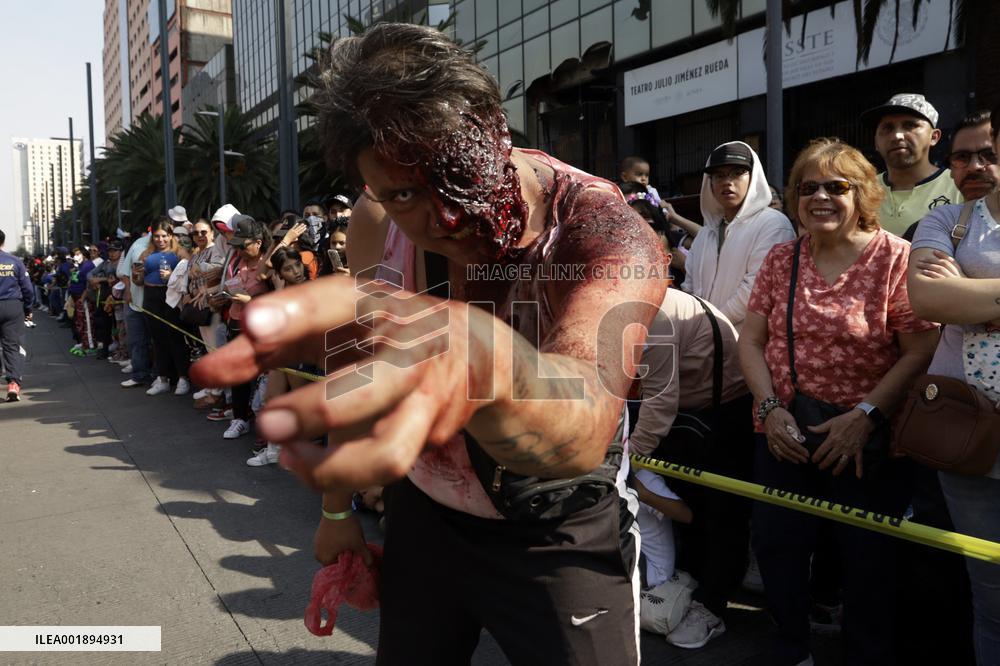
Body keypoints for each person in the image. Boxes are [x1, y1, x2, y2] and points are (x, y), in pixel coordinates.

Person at [192, 23, 666, 665]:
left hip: (557, 529)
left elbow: (584, 421)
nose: (440, 218)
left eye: (450, 171)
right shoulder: (376, 219)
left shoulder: (601, 229)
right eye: (402, 194)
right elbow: (360, 365)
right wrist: (337, 512)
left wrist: (486, 363)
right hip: (425, 513)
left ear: (493, 127)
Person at [738, 137, 939, 665]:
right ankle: (790, 650)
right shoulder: (782, 259)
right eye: (809, 188)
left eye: (837, 186)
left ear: (864, 193)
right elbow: (751, 341)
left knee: (868, 564)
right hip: (784, 435)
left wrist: (864, 416)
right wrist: (768, 409)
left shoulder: (897, 258)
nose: (820, 197)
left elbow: (920, 348)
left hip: (866, 441)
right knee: (780, 550)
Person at [907, 103, 1000, 666]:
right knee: (990, 599)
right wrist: (952, 295)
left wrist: (972, 292)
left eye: (987, 153)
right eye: (961, 157)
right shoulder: (946, 222)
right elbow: (928, 299)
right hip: (967, 436)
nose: (974, 166)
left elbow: (953, 299)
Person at [629, 246, 752, 649]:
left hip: (723, 415)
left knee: (721, 515)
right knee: (691, 509)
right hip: (688, 415)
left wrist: (626, 458)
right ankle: (691, 582)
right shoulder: (632, 307)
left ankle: (712, 605)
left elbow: (660, 401)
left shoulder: (654, 316)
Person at [683, 141, 796, 329]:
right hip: (704, 342)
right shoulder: (705, 233)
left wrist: (713, 325)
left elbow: (755, 288)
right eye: (719, 175)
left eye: (737, 173)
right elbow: (690, 286)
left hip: (749, 344)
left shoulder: (773, 224)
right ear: (709, 183)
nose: (727, 181)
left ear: (753, 178)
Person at [861, 93, 961, 238]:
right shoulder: (861, 191)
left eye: (910, 125)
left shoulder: (959, 187)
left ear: (934, 137)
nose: (897, 136)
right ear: (876, 142)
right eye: (887, 128)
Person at [217, 215, 272, 440]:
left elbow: (278, 297)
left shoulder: (267, 264)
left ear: (258, 242)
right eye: (236, 246)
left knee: (264, 377)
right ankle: (239, 418)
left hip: (261, 327)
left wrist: (252, 302)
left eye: (243, 246)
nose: (238, 250)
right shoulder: (235, 262)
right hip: (235, 322)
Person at [140, 220, 190, 396]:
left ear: (170, 236)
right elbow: (138, 280)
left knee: (176, 337)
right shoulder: (146, 253)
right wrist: (137, 273)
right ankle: (163, 378)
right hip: (151, 297)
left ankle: (183, 378)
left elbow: (189, 272)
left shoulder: (179, 252)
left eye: (164, 236)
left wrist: (172, 276)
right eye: (157, 236)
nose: (160, 239)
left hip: (172, 297)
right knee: (158, 339)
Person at [118, 224, 154, 388]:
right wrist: (128, 290)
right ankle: (140, 375)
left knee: (158, 341)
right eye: (157, 234)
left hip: (157, 303)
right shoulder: (138, 244)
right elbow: (125, 272)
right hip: (135, 302)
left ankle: (162, 377)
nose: (160, 238)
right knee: (137, 340)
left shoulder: (171, 247)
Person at [0, 230, 33, 402]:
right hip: (12, 306)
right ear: (3, 242)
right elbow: (27, 288)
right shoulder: (15, 261)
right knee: (11, 346)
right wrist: (28, 308)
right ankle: (13, 384)